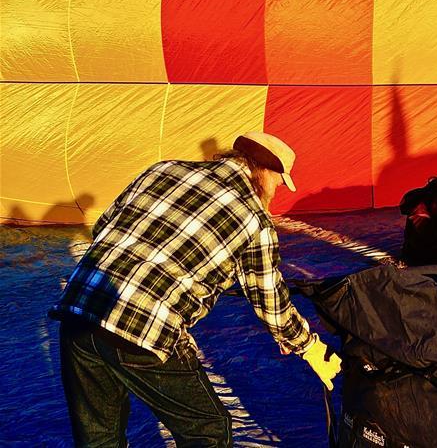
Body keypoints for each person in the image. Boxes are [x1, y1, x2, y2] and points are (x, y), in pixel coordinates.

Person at [50, 131, 340, 447]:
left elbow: (105, 226)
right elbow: (269, 299)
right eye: (279, 183)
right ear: (264, 172)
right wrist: (307, 346)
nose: (276, 192)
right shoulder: (255, 221)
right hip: (141, 327)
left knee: (98, 436)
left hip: (79, 307)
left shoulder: (162, 169)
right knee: (208, 432)